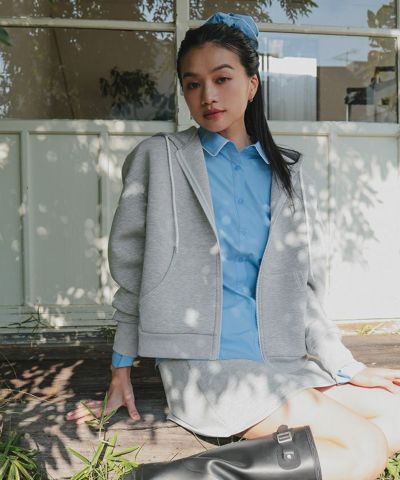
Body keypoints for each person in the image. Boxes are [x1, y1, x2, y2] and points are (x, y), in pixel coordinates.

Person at [67, 12, 400, 480]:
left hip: (281, 363)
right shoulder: (159, 159)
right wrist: (120, 369)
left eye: (222, 79)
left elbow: (304, 290)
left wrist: (345, 366)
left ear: (251, 84)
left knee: (394, 412)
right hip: (208, 370)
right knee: (364, 446)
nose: (208, 95)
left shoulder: (288, 173)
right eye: (193, 84)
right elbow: (131, 270)